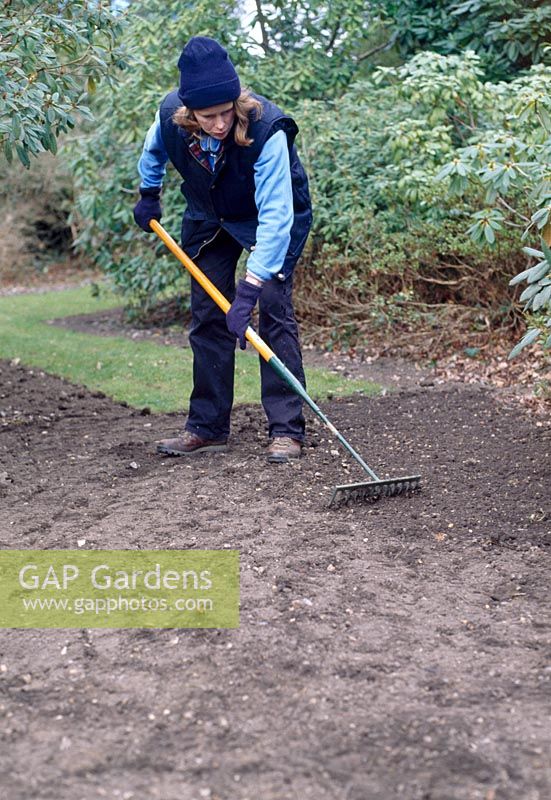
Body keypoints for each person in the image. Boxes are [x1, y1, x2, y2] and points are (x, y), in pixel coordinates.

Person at [133, 36, 312, 463]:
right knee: (208, 314)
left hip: (265, 218)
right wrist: (148, 192)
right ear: (189, 110)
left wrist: (248, 289)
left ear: (238, 100)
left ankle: (287, 429)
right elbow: (152, 149)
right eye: (208, 115)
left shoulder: (269, 129)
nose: (219, 123)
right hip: (209, 217)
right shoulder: (169, 117)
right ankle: (208, 427)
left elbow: (275, 217)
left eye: (226, 111)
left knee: (271, 306)